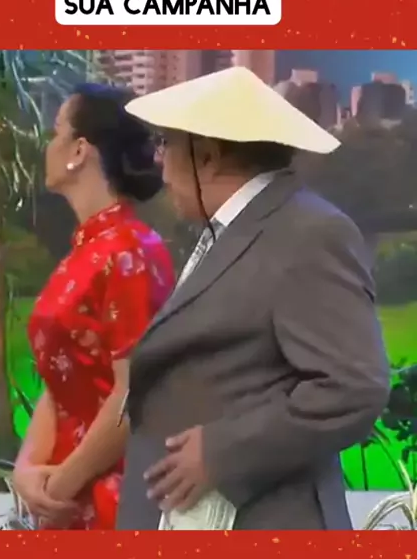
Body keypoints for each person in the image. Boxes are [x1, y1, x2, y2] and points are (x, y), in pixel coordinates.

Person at [116, 66, 390, 531]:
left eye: (165, 143)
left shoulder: (308, 233)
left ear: (207, 157)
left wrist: (222, 452)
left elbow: (354, 386)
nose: (159, 160)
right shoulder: (232, 232)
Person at [12, 84, 175, 529]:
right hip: (64, 494)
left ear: (79, 150)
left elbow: (133, 393)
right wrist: (27, 468)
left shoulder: (130, 250)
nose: (48, 145)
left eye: (56, 132)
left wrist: (61, 485)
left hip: (108, 500)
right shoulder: (87, 250)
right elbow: (61, 382)